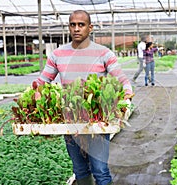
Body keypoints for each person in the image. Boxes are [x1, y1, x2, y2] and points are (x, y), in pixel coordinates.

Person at [34, 10, 133, 185]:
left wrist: (126, 97)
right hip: (70, 119)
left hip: (98, 120)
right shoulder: (58, 54)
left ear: (90, 27)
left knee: (100, 170)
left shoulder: (104, 53)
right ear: (69, 27)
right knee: (79, 170)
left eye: (81, 25)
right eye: (73, 25)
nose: (77, 29)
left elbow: (123, 80)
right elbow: (42, 81)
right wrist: (36, 92)